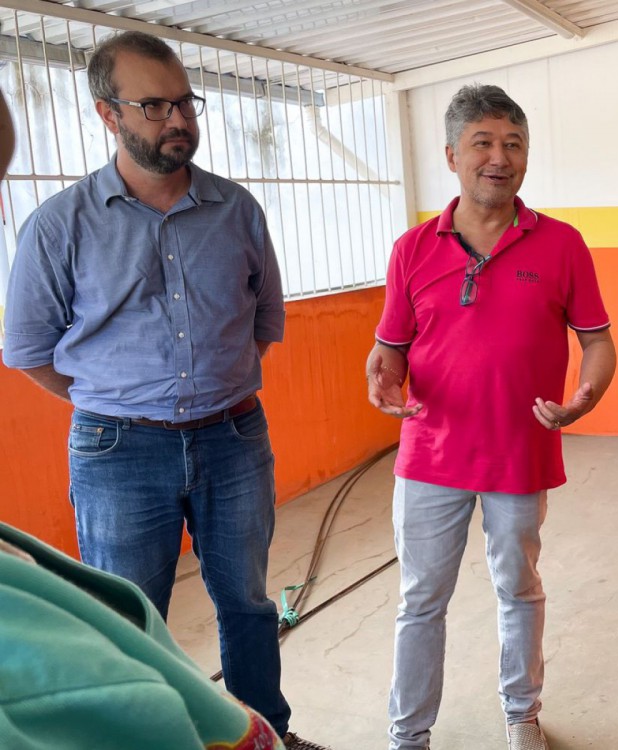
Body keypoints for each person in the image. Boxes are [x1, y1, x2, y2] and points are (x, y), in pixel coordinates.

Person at [1, 30, 327, 750]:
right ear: (106, 114)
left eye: (184, 102)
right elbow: (28, 351)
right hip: (117, 449)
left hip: (234, 435)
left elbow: (264, 318)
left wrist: (217, 387)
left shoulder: (238, 210)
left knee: (246, 603)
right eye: (155, 106)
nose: (178, 120)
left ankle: (266, 732)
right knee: (129, 615)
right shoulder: (59, 226)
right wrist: (118, 402)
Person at [366, 83, 616, 750]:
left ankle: (521, 713)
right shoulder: (412, 248)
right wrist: (381, 377)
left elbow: (597, 342)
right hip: (431, 454)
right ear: (452, 154)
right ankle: (408, 734)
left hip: (519, 452)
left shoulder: (562, 245)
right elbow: (388, 349)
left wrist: (585, 396)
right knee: (420, 601)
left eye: (514, 144)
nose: (499, 157)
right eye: (483, 143)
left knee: (519, 587)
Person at [0, 521, 285, 750]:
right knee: (124, 640)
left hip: (234, 451)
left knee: (246, 606)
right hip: (118, 455)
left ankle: (278, 730)